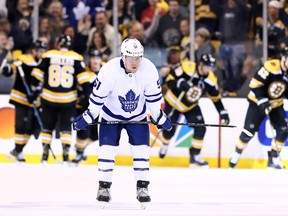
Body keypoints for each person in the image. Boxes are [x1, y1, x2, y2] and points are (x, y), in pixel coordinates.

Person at [73, 38, 172, 206]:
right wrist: (88, 116)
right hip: (110, 116)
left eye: (138, 57)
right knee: (106, 152)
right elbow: (97, 101)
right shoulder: (108, 71)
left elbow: (154, 102)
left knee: (141, 152)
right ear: (123, 56)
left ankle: (142, 187)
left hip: (137, 117)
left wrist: (160, 117)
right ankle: (104, 187)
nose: (135, 62)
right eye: (131, 57)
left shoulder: (149, 69)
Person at [158, 54, 230, 168]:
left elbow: (215, 98)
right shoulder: (187, 67)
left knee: (201, 128)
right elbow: (169, 80)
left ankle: (195, 157)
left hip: (190, 106)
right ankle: (165, 144)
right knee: (169, 130)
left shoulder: (211, 79)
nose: (209, 70)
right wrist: (179, 83)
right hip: (173, 102)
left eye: (211, 67)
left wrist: (222, 112)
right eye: (207, 67)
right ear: (200, 65)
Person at [30, 34, 91, 165]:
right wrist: (86, 95)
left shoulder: (48, 55)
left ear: (58, 44)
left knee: (46, 128)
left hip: (48, 98)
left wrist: (34, 91)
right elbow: (84, 81)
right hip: (68, 100)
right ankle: (65, 156)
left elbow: (35, 77)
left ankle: (45, 156)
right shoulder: (76, 57)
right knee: (66, 129)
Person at [229, 47, 288, 169]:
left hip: (276, 104)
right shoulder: (270, 67)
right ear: (284, 58)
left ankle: (274, 158)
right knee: (248, 132)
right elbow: (254, 85)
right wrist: (262, 100)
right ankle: (236, 155)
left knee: (283, 130)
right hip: (257, 102)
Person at [1, 40, 47, 162]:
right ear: (34, 50)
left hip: (35, 100)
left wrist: (36, 93)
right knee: (20, 126)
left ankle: (18, 150)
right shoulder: (24, 59)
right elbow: (10, 70)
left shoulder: (44, 63)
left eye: (43, 51)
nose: (42, 53)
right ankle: (18, 151)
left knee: (32, 128)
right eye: (40, 51)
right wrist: (7, 69)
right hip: (20, 98)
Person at [71, 48, 104, 165]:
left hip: (101, 110)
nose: (95, 61)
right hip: (84, 108)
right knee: (83, 133)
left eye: (98, 58)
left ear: (101, 59)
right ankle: (79, 152)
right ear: (89, 59)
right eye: (93, 58)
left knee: (97, 135)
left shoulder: (107, 71)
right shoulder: (83, 72)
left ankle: (82, 148)